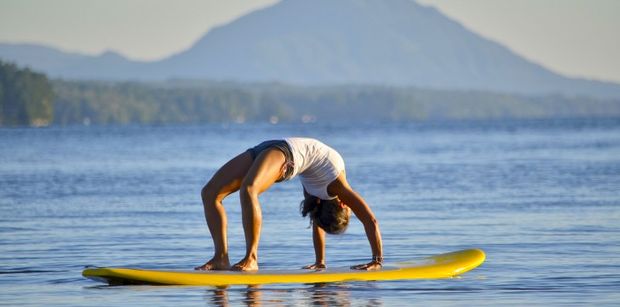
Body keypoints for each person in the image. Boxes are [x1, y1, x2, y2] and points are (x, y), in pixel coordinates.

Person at [194, 137, 383, 271]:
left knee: (249, 190)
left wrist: (320, 262)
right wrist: (377, 260)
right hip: (279, 149)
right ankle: (222, 258)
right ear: (342, 204)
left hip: (279, 151)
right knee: (210, 193)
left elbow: (317, 221)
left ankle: (248, 257)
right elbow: (370, 220)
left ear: (342, 207)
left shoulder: (317, 196)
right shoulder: (339, 187)